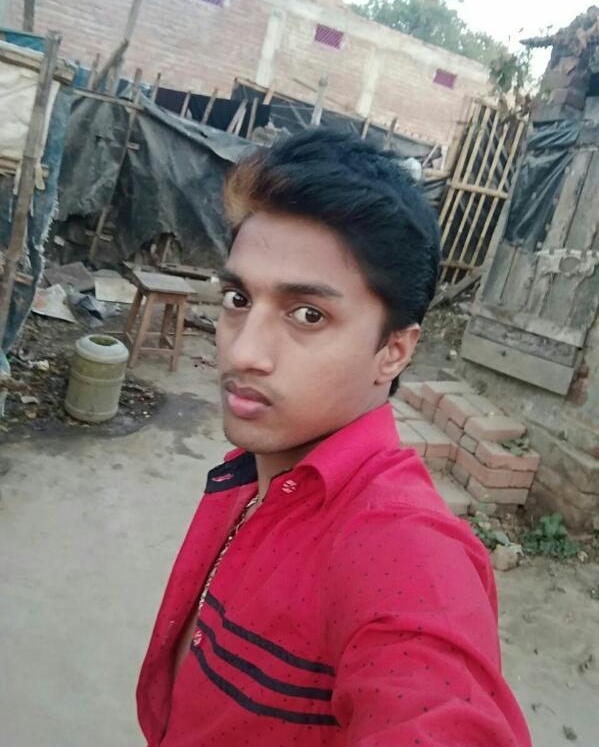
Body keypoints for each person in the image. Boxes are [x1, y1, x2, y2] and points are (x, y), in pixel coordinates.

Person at [137, 129, 531, 746]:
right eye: (238, 298)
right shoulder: (253, 467)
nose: (242, 351)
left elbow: (436, 708)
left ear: (393, 350)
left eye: (308, 315)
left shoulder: (404, 549)